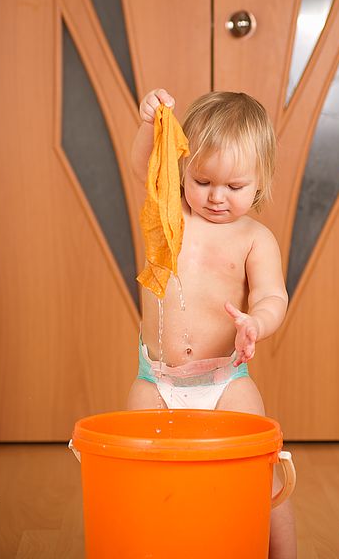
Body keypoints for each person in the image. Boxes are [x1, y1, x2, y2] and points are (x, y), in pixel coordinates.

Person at [127, 88, 297, 558]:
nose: (216, 197)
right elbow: (143, 168)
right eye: (202, 181)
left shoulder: (254, 238)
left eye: (235, 187)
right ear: (182, 170)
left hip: (226, 380)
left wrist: (255, 323)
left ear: (260, 181)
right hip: (155, 381)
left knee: (263, 469)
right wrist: (150, 126)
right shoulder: (168, 215)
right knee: (139, 468)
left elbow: (271, 296)